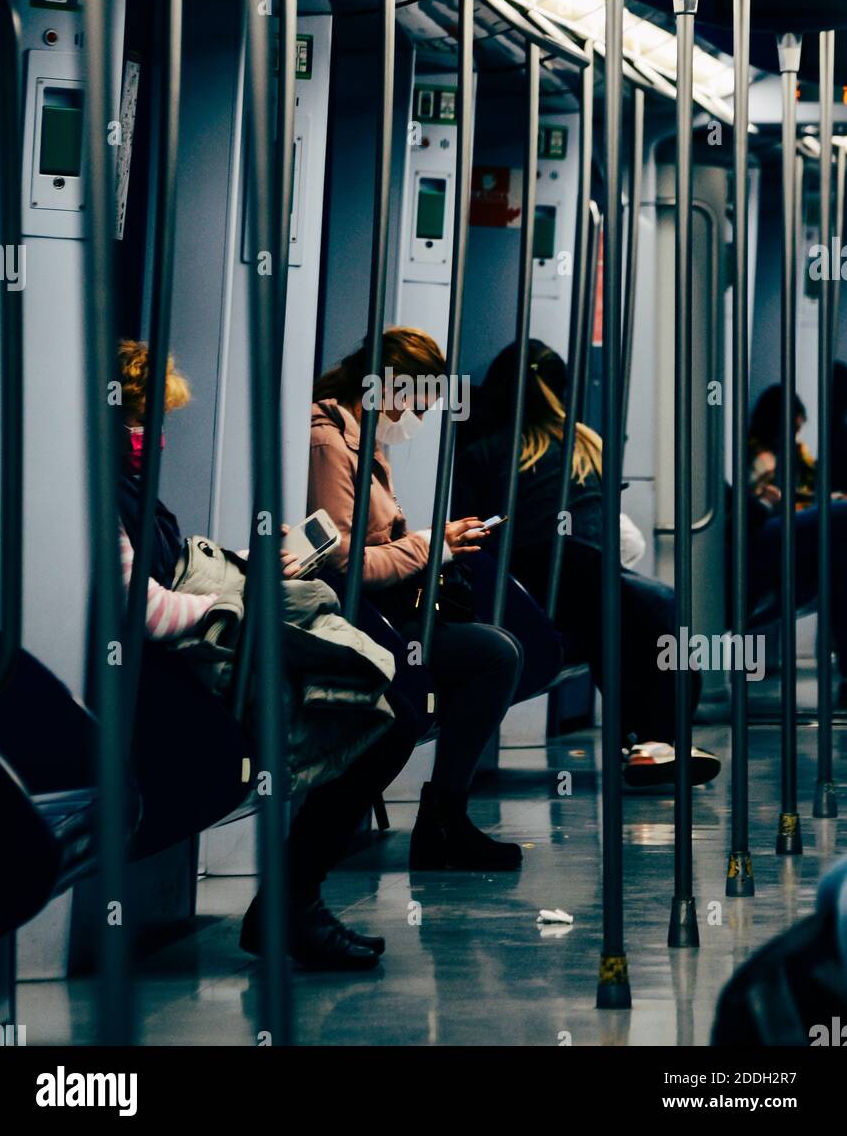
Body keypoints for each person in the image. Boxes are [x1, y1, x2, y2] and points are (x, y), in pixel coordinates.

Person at [116, 339, 420, 972]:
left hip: (216, 637)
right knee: (380, 721)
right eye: (138, 420)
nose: (151, 436)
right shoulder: (96, 501)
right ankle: (290, 905)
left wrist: (252, 567)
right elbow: (147, 611)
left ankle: (290, 902)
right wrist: (238, 607)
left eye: (155, 421)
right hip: (194, 661)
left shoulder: (127, 488)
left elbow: (170, 570)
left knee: (389, 710)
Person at [454, 339, 721, 789]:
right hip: (571, 571)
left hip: (524, 582)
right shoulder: (583, 441)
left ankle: (650, 739)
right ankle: (654, 738)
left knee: (627, 621)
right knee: (650, 610)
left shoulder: (485, 448)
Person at [308, 327, 525, 870]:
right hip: (351, 619)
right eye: (416, 406)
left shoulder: (362, 439)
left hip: (385, 611)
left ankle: (446, 816)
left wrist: (435, 543)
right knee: (493, 655)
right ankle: (441, 821)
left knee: (496, 646)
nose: (418, 422)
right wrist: (433, 547)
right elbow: (345, 565)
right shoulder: (329, 445)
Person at [742, 379, 847, 686]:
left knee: (838, 567)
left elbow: (811, 488)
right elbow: (771, 494)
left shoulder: (795, 452)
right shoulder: (759, 454)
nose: (796, 435)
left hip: (793, 528)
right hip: (768, 528)